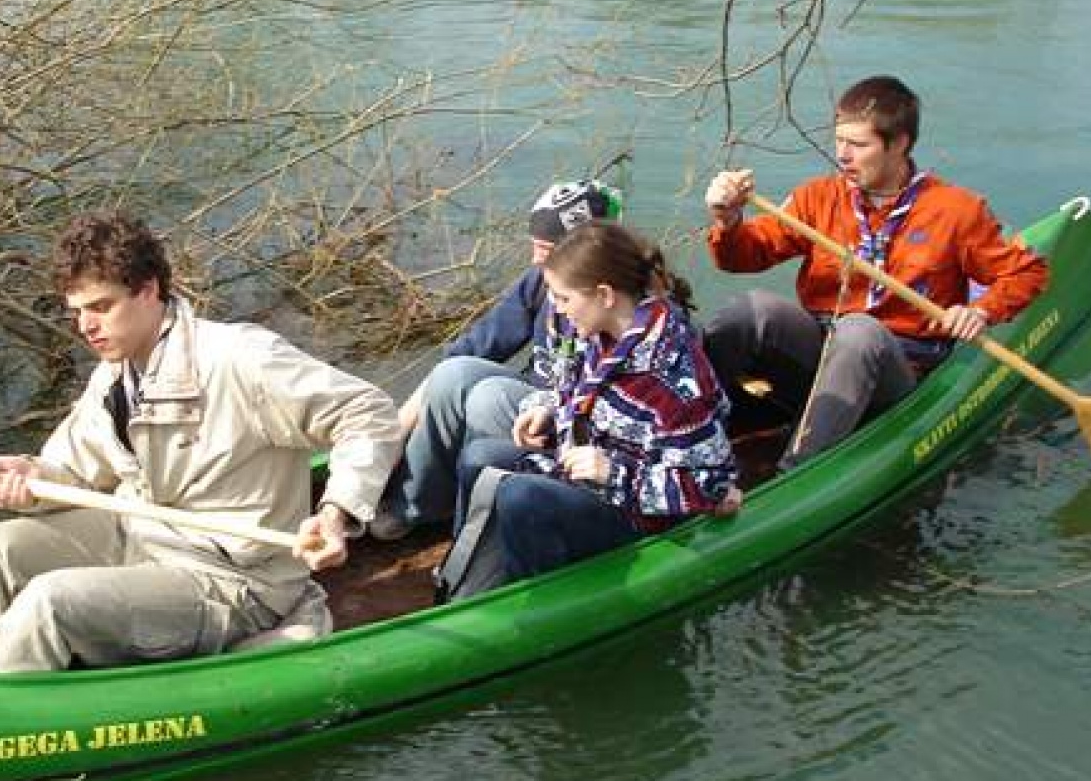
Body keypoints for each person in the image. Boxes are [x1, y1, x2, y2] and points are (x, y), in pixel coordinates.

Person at [0, 210, 402, 671]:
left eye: (100, 307)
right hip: (137, 536)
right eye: (77, 312)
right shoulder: (115, 375)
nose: (86, 327)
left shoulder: (241, 359)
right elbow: (72, 472)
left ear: (149, 291)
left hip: (232, 580)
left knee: (53, 602)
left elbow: (367, 413)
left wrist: (336, 512)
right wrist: (33, 477)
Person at [702, 74, 1048, 468]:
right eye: (839, 141)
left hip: (898, 366)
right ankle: (695, 426)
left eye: (858, 145)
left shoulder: (955, 210)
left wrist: (980, 311)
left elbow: (1025, 273)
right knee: (750, 312)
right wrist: (728, 220)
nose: (843, 156)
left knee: (859, 331)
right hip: (823, 347)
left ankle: (796, 470)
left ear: (899, 144)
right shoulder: (818, 197)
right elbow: (743, 257)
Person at [438, 221, 740, 599]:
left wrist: (612, 472)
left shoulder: (673, 373)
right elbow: (568, 387)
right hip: (586, 480)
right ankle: (472, 586)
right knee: (478, 457)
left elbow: (708, 484)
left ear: (604, 295)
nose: (559, 310)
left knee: (522, 499)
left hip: (636, 512)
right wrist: (545, 407)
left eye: (563, 298)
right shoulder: (597, 335)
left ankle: (541, 602)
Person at [369, 179, 624, 540]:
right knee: (454, 373)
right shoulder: (539, 282)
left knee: (486, 398)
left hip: (572, 426)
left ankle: (477, 511)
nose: (535, 259)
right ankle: (415, 505)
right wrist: (395, 431)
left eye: (546, 249)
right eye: (534, 246)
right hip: (539, 401)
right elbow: (472, 349)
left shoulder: (621, 308)